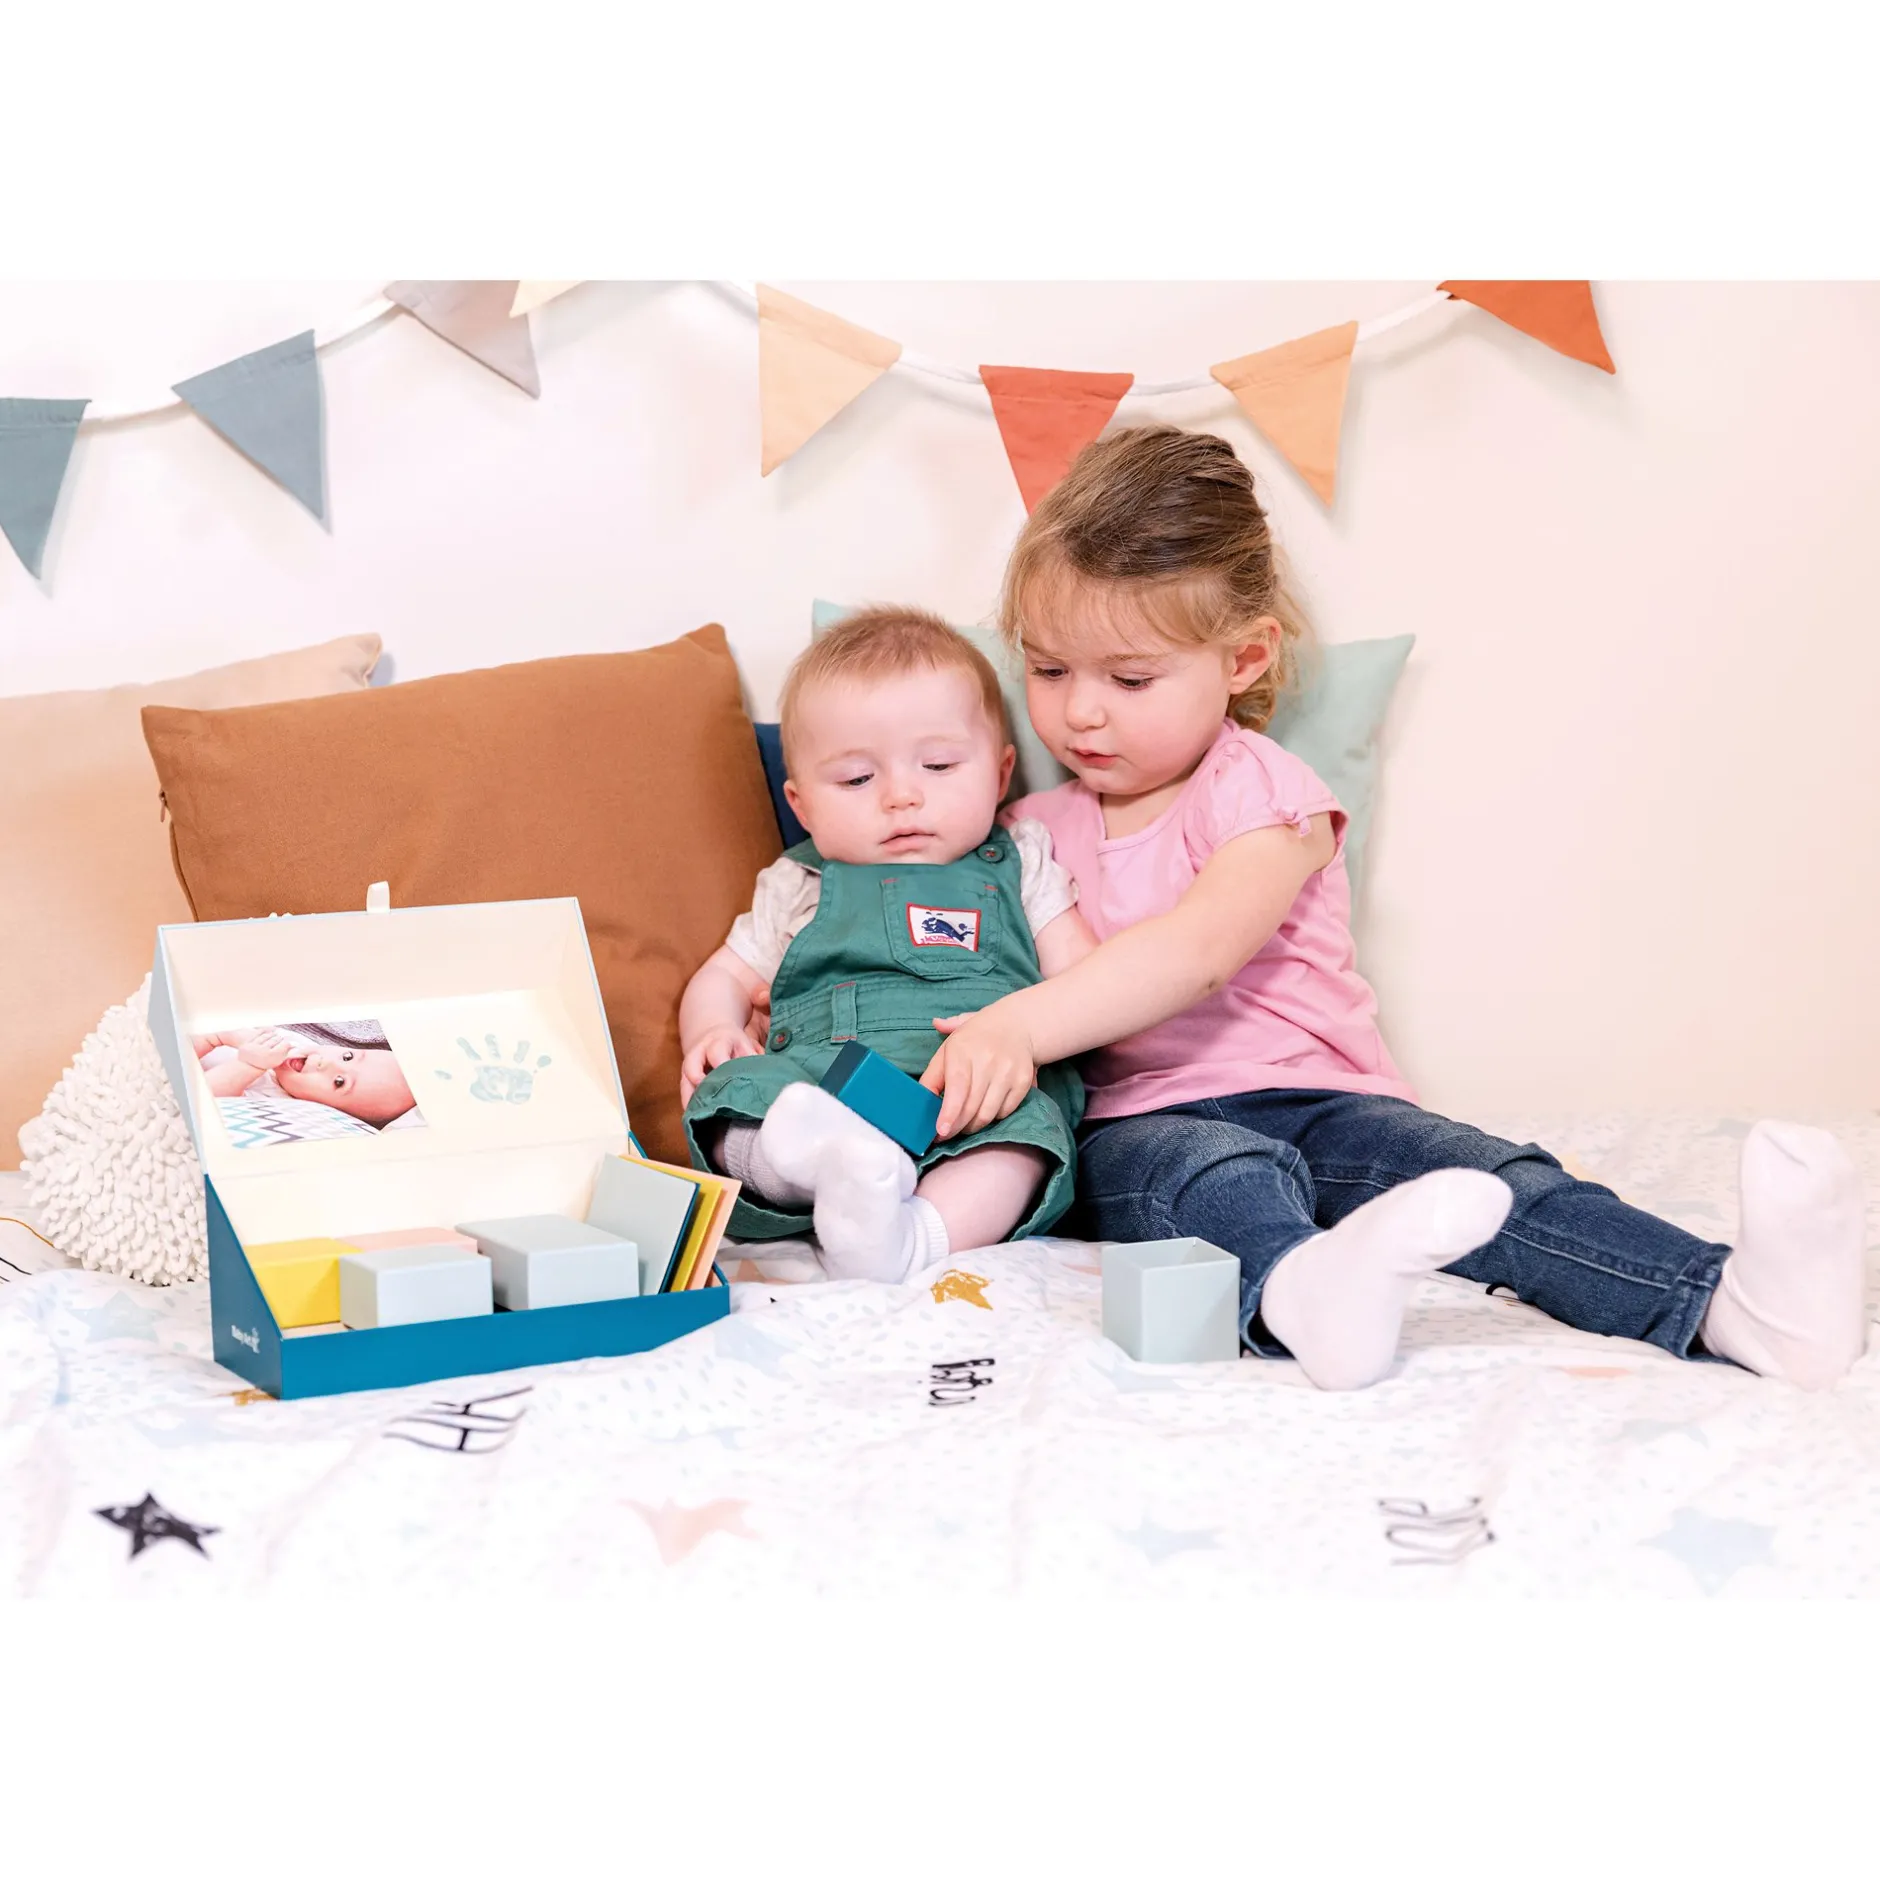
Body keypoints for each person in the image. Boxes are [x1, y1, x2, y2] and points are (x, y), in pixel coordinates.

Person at [921, 425, 1866, 1391]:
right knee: (1201, 1176)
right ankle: (1307, 1288)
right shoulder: (1023, 836)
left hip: (1322, 1097)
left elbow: (1198, 951)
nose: (1081, 712)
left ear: (1244, 659)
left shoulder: (1264, 794)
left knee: (1475, 1174)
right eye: (1048, 670)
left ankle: (1731, 1302)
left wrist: (1020, 1026)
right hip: (1134, 1123)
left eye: (1129, 679)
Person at [679, 607, 1097, 1282]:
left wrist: (1030, 1035)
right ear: (802, 805)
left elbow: (1085, 984)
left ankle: (910, 1239)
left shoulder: (1023, 862)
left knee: (1027, 1141)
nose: (902, 797)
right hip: (822, 1083)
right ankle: (816, 1165)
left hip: (972, 1096)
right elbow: (723, 975)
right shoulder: (798, 881)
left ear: (1000, 774)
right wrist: (712, 1031)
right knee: (730, 1103)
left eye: (938, 764)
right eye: (856, 779)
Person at [191, 1025, 418, 1128]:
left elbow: (196, 1099)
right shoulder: (296, 1044)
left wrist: (245, 1063)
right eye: (347, 1056)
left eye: (339, 1082)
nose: (326, 1063)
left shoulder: (279, 1107)